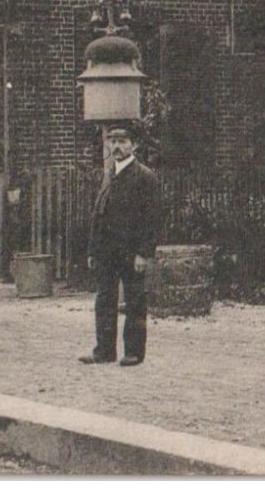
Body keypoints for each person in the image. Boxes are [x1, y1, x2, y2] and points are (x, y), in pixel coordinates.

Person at [80, 127, 161, 367]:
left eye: (122, 141)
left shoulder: (145, 177)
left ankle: (134, 352)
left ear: (133, 145)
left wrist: (144, 253)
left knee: (135, 301)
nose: (116, 146)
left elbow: (152, 219)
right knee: (104, 300)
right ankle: (104, 350)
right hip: (107, 252)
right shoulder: (108, 176)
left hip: (131, 252)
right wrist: (93, 250)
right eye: (112, 141)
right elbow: (99, 215)